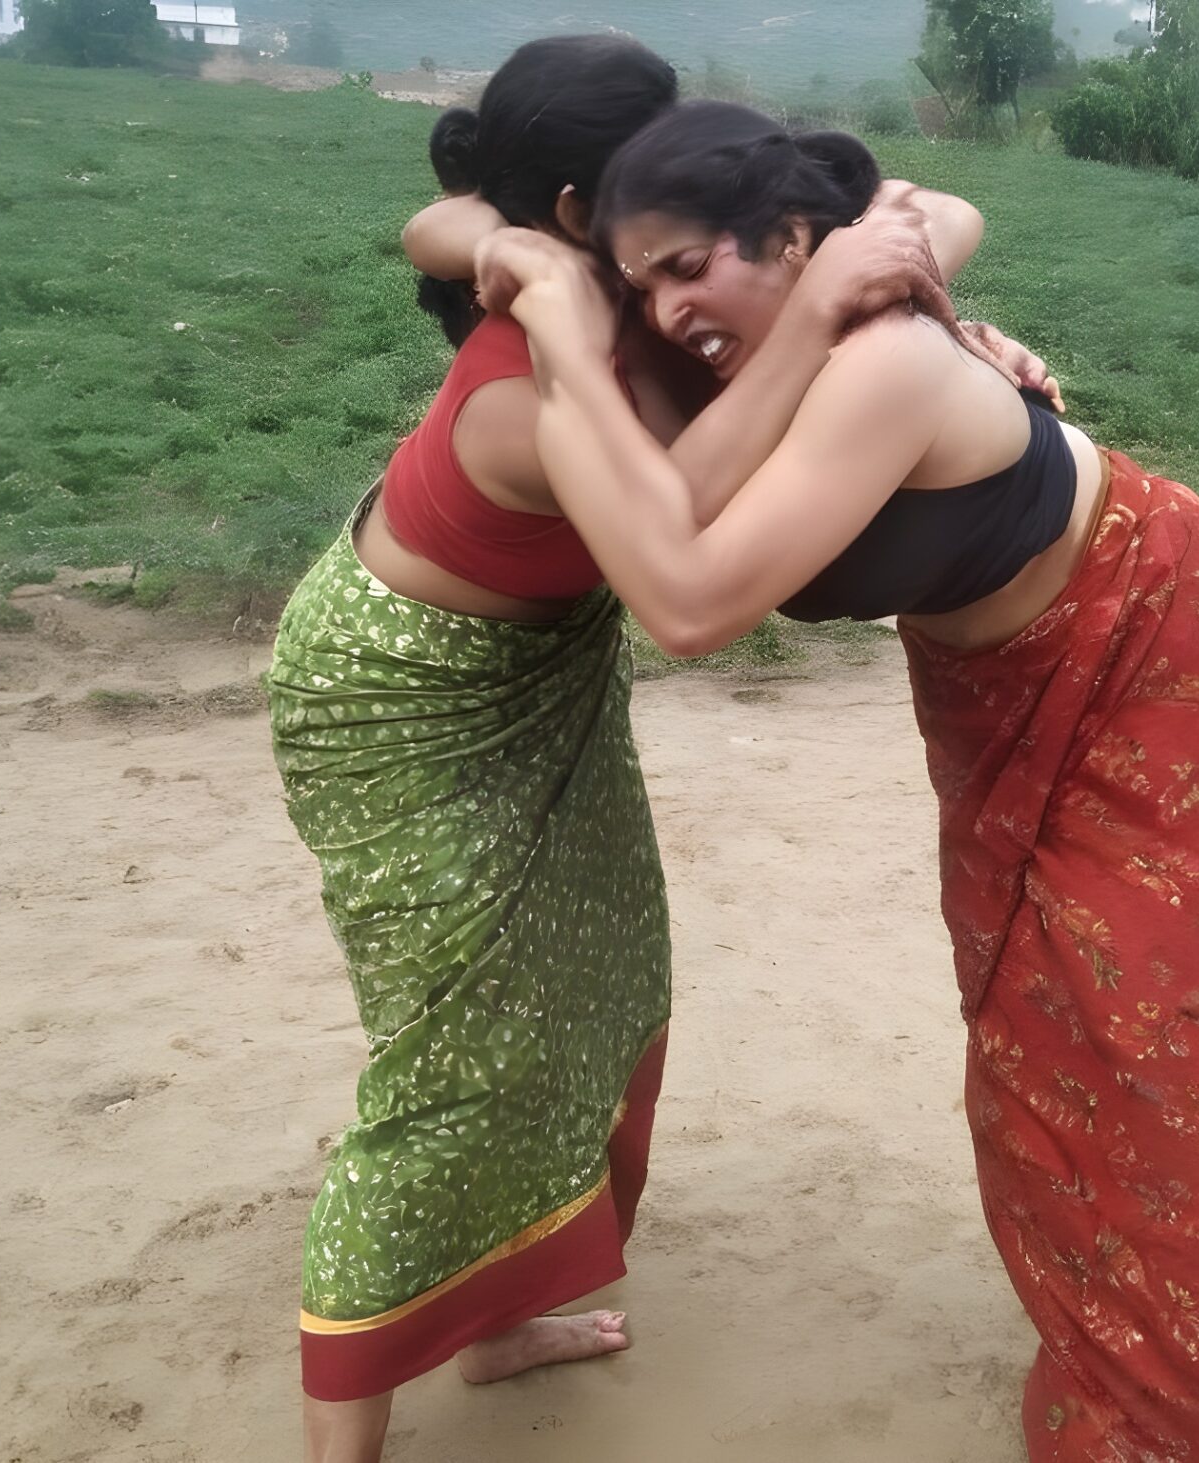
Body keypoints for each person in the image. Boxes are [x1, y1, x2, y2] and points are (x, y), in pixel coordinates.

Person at [470, 99, 1199, 1461]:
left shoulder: (886, 355)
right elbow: (470, 231)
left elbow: (685, 600)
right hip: (1016, 694)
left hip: (1156, 658)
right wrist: (616, 289)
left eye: (685, 267)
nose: (662, 309)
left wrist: (572, 328)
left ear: (786, 232)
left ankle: (1187, 1422)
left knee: (1135, 1081)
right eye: (634, 278)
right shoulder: (770, 334)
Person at [265, 41, 1021, 1463]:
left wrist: (934, 310)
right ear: (567, 210)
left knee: (598, 983)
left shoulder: (617, 272)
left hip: (539, 667)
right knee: (455, 1065)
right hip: (398, 705)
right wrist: (817, 326)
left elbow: (928, 211)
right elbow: (675, 519)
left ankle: (496, 1312)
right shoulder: (534, 386)